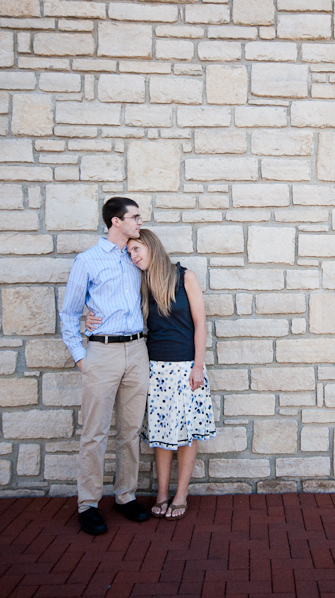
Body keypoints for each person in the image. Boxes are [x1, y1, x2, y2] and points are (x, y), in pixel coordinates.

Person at [89, 229, 215, 521]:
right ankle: (161, 494)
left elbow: (200, 323)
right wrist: (90, 316)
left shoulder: (185, 277)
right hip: (155, 368)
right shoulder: (141, 282)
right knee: (161, 434)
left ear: (150, 246)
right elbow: (116, 307)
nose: (133, 256)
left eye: (136, 249)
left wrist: (198, 365)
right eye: (129, 252)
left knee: (186, 433)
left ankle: (181, 494)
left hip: (186, 368)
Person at [59, 196, 151, 535]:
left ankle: (125, 496)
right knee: (94, 432)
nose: (139, 222)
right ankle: (88, 504)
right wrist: (80, 356)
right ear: (116, 221)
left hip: (138, 350)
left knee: (130, 430)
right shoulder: (88, 260)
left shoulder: (136, 257)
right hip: (103, 352)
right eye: (135, 217)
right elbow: (69, 312)